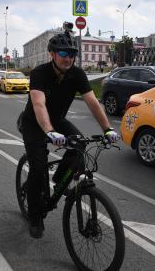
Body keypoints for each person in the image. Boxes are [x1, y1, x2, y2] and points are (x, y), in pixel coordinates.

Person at [18, 22, 120, 239]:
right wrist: (49, 132)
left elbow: (93, 102)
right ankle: (36, 217)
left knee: (80, 145)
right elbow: (38, 104)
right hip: (34, 123)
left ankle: (58, 181)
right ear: (52, 54)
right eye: (63, 53)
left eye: (72, 53)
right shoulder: (39, 73)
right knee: (38, 168)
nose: (68, 58)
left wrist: (108, 128)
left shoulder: (77, 74)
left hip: (57, 120)